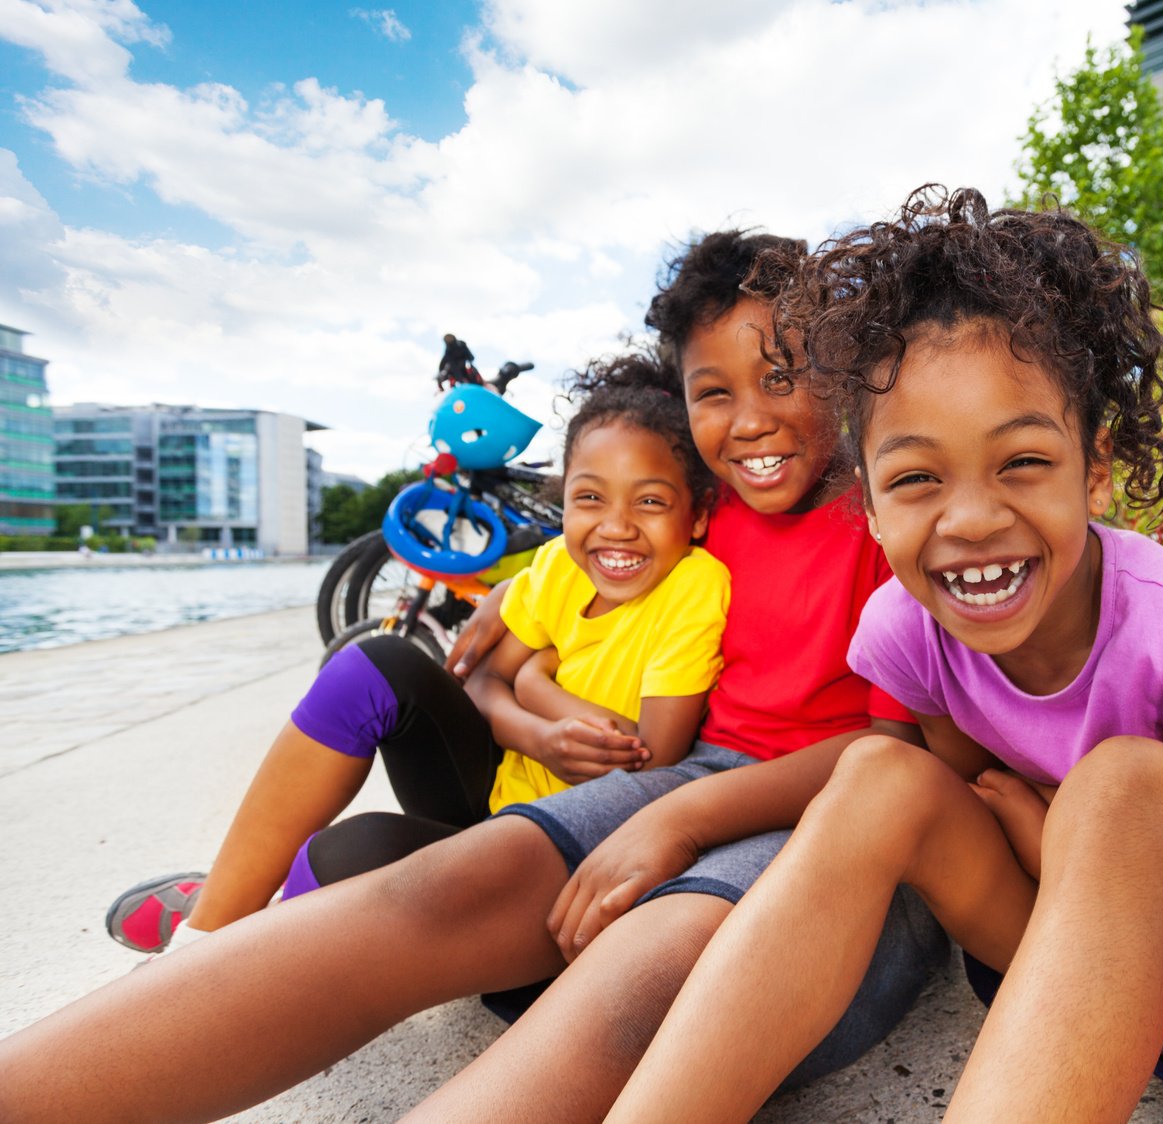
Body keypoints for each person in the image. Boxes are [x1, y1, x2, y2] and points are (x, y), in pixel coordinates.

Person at [0, 229, 947, 1122]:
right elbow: (536, 615)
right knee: (433, 888)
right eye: (713, 393)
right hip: (688, 778)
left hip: (831, 829)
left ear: (843, 370)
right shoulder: (699, 519)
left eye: (783, 376)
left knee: (643, 976)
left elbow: (890, 758)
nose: (751, 420)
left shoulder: (884, 520)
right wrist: (517, 617)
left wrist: (677, 815)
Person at [604, 187, 1163, 1124]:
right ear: (869, 508)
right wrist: (1039, 826)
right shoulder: (900, 632)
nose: (969, 518)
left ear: (1096, 467)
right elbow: (968, 795)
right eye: (916, 477)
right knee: (881, 771)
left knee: (1124, 784)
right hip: (1039, 934)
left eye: (1022, 463)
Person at [106, 351, 730, 955]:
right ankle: (209, 931)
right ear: (562, 501)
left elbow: (652, 755)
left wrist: (536, 683)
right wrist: (538, 733)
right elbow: (482, 684)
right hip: (495, 796)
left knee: (346, 852)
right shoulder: (559, 568)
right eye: (589, 498)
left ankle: (241, 934)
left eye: (649, 502)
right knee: (372, 664)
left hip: (563, 847)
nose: (616, 525)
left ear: (698, 515)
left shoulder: (693, 585)